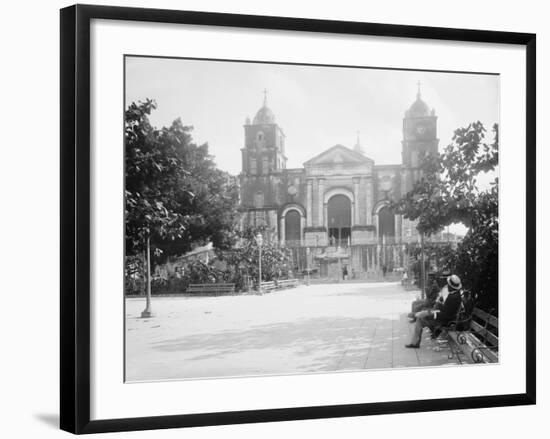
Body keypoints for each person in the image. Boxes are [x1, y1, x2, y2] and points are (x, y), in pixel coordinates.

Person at [405, 275, 463, 348]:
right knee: (422, 315)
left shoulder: (453, 298)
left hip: (444, 320)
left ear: (452, 286)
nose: (447, 285)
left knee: (422, 317)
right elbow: (446, 309)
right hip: (443, 316)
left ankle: (416, 341)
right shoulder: (455, 295)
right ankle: (417, 316)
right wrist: (440, 303)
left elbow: (446, 315)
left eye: (449, 284)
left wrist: (433, 313)